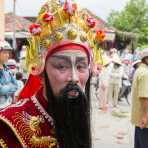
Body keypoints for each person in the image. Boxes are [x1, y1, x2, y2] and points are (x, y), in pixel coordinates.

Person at [0, 0, 104, 147]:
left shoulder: (76, 113)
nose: (74, 78)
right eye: (61, 66)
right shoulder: (7, 126)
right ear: (41, 74)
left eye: (81, 66)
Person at [131, 48, 148, 148]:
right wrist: (146, 116)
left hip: (140, 118)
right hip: (145, 120)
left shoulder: (140, 70)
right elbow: (144, 96)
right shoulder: (145, 73)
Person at [0, 40, 18, 109]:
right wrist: (10, 86)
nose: (7, 55)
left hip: (7, 105)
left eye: (8, 53)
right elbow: (1, 90)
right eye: (4, 53)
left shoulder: (6, 68)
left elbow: (16, 85)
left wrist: (6, 87)